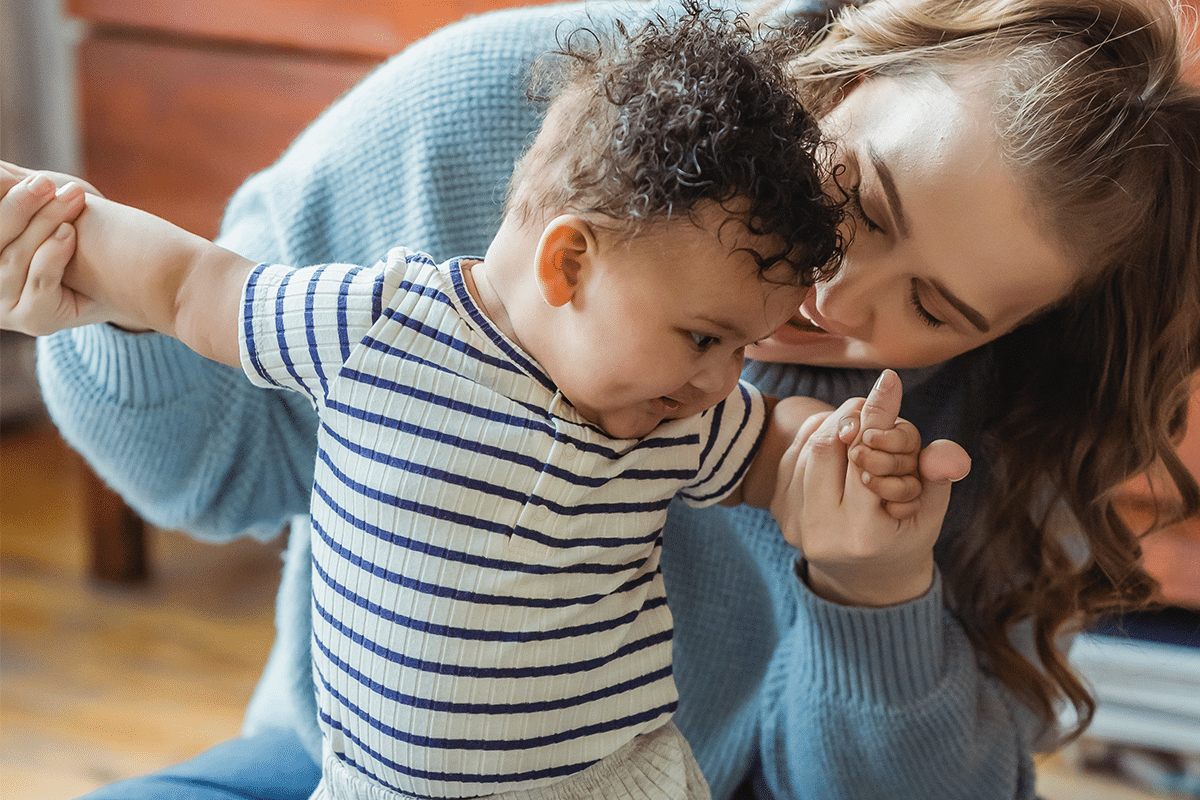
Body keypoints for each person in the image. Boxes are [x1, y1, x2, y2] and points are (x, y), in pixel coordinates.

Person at [3, 0, 1198, 797]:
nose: (837, 297)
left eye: (936, 311)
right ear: (846, 65)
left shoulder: (1020, 413)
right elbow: (219, 469)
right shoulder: (486, 111)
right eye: (858, 200)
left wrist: (872, 595)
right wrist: (105, 294)